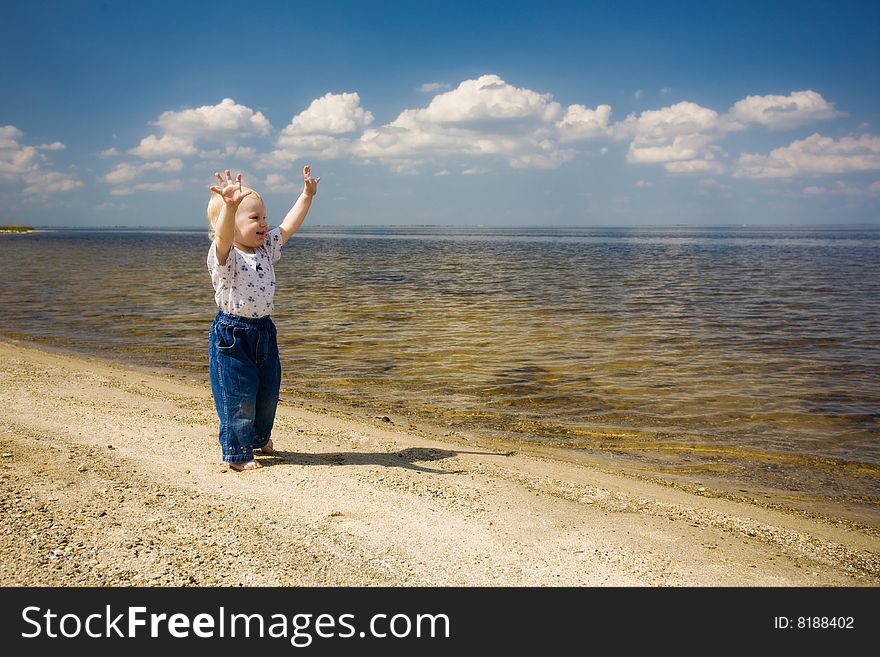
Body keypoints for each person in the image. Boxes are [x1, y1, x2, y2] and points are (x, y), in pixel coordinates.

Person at [205, 166, 320, 471]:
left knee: (267, 392)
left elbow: (288, 226)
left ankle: (258, 437)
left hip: (264, 330)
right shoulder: (225, 255)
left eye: (263, 217)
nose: (263, 224)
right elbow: (224, 235)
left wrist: (306, 196)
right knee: (238, 395)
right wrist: (230, 207)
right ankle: (238, 452)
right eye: (254, 218)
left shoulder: (266, 248)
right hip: (233, 334)